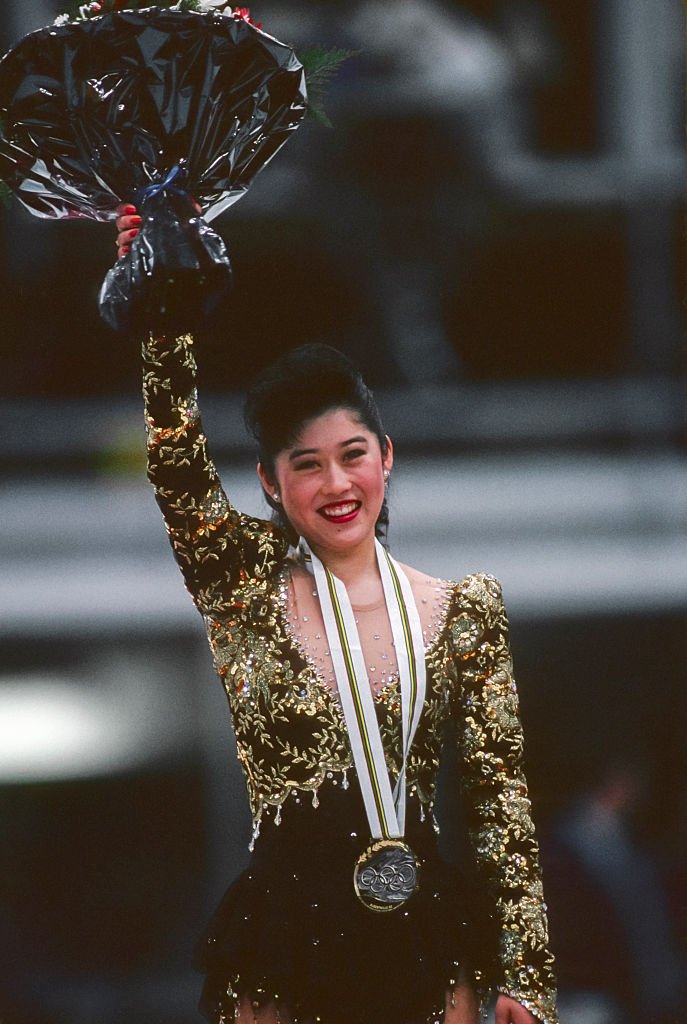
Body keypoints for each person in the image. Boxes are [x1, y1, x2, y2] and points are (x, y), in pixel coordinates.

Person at [116, 209, 559, 1024]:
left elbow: (500, 803)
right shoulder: (244, 590)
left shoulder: (464, 610)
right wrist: (161, 319)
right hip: (286, 944)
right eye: (306, 465)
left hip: (430, 938)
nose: (336, 483)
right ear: (271, 486)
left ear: (385, 457)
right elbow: (177, 467)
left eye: (353, 454)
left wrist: (526, 976)